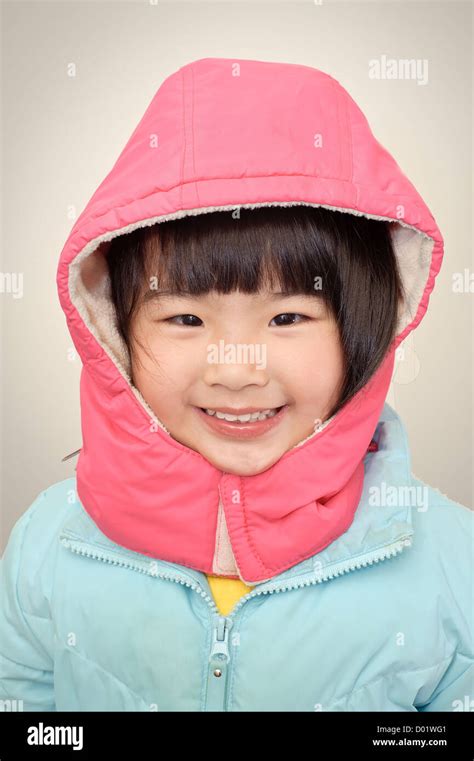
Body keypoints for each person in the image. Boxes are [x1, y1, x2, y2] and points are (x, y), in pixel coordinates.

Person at [0, 57, 472, 712]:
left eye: (287, 316)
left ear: (364, 325)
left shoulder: (450, 563)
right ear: (112, 329)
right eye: (186, 317)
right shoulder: (50, 546)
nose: (236, 367)